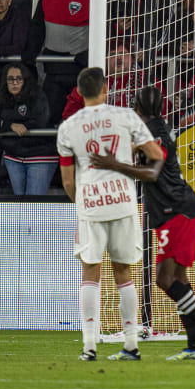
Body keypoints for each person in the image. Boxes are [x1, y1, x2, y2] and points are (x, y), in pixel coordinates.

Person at [85, 86, 195, 360]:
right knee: (179, 278)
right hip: (171, 209)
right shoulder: (151, 129)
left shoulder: (154, 133)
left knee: (165, 279)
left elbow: (151, 172)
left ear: (135, 106)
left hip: (176, 209)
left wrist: (113, 164)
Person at [57, 66, 165, 361]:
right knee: (124, 273)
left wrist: (81, 201)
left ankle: (89, 345)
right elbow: (155, 155)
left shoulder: (68, 127)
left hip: (90, 202)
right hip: (123, 201)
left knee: (90, 272)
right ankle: (131, 343)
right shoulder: (126, 116)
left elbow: (68, 180)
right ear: (106, 89)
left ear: (79, 92)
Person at [0, 62, 52, 197]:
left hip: (39, 153)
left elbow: (41, 120)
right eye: (10, 79)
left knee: (33, 204)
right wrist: (11, 125)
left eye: (18, 78)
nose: (14, 82)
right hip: (14, 155)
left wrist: (25, 126)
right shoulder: (0, 96)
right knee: (20, 203)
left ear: (25, 80)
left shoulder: (37, 95)